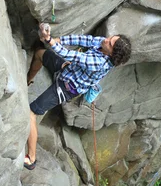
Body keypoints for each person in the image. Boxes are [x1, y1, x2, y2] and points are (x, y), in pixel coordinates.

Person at [23, 23, 132, 170]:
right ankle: (27, 80)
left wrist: (49, 41)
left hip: (66, 88)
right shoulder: (103, 43)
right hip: (67, 70)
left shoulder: (99, 63)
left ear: (112, 54)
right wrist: (55, 40)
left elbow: (72, 55)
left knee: (31, 113)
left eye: (111, 43)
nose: (107, 39)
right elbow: (82, 40)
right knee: (39, 54)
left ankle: (32, 158)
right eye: (112, 38)